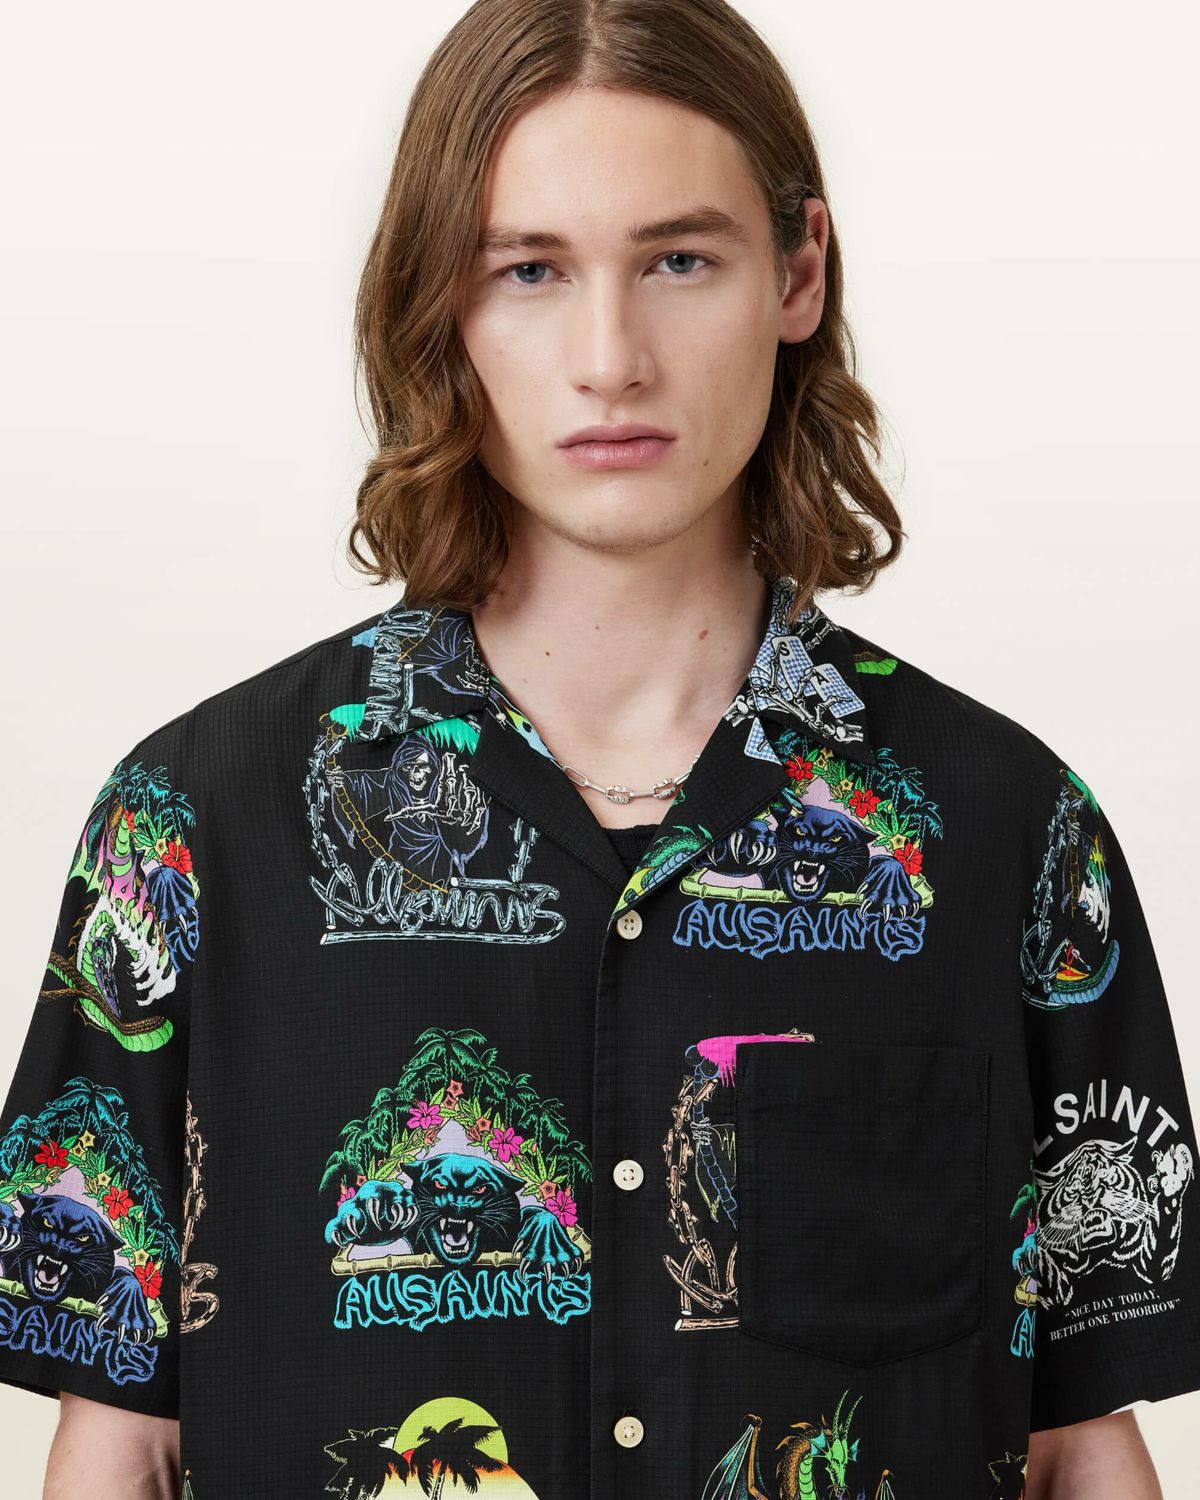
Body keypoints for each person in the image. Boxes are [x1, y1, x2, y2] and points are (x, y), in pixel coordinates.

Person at [1, 1, 1196, 1496]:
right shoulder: (191, 825)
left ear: (799, 274)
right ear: (440, 303)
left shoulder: (1008, 829)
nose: (611, 358)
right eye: (530, 270)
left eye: (679, 261)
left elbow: (1083, 1446)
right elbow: (114, 1445)